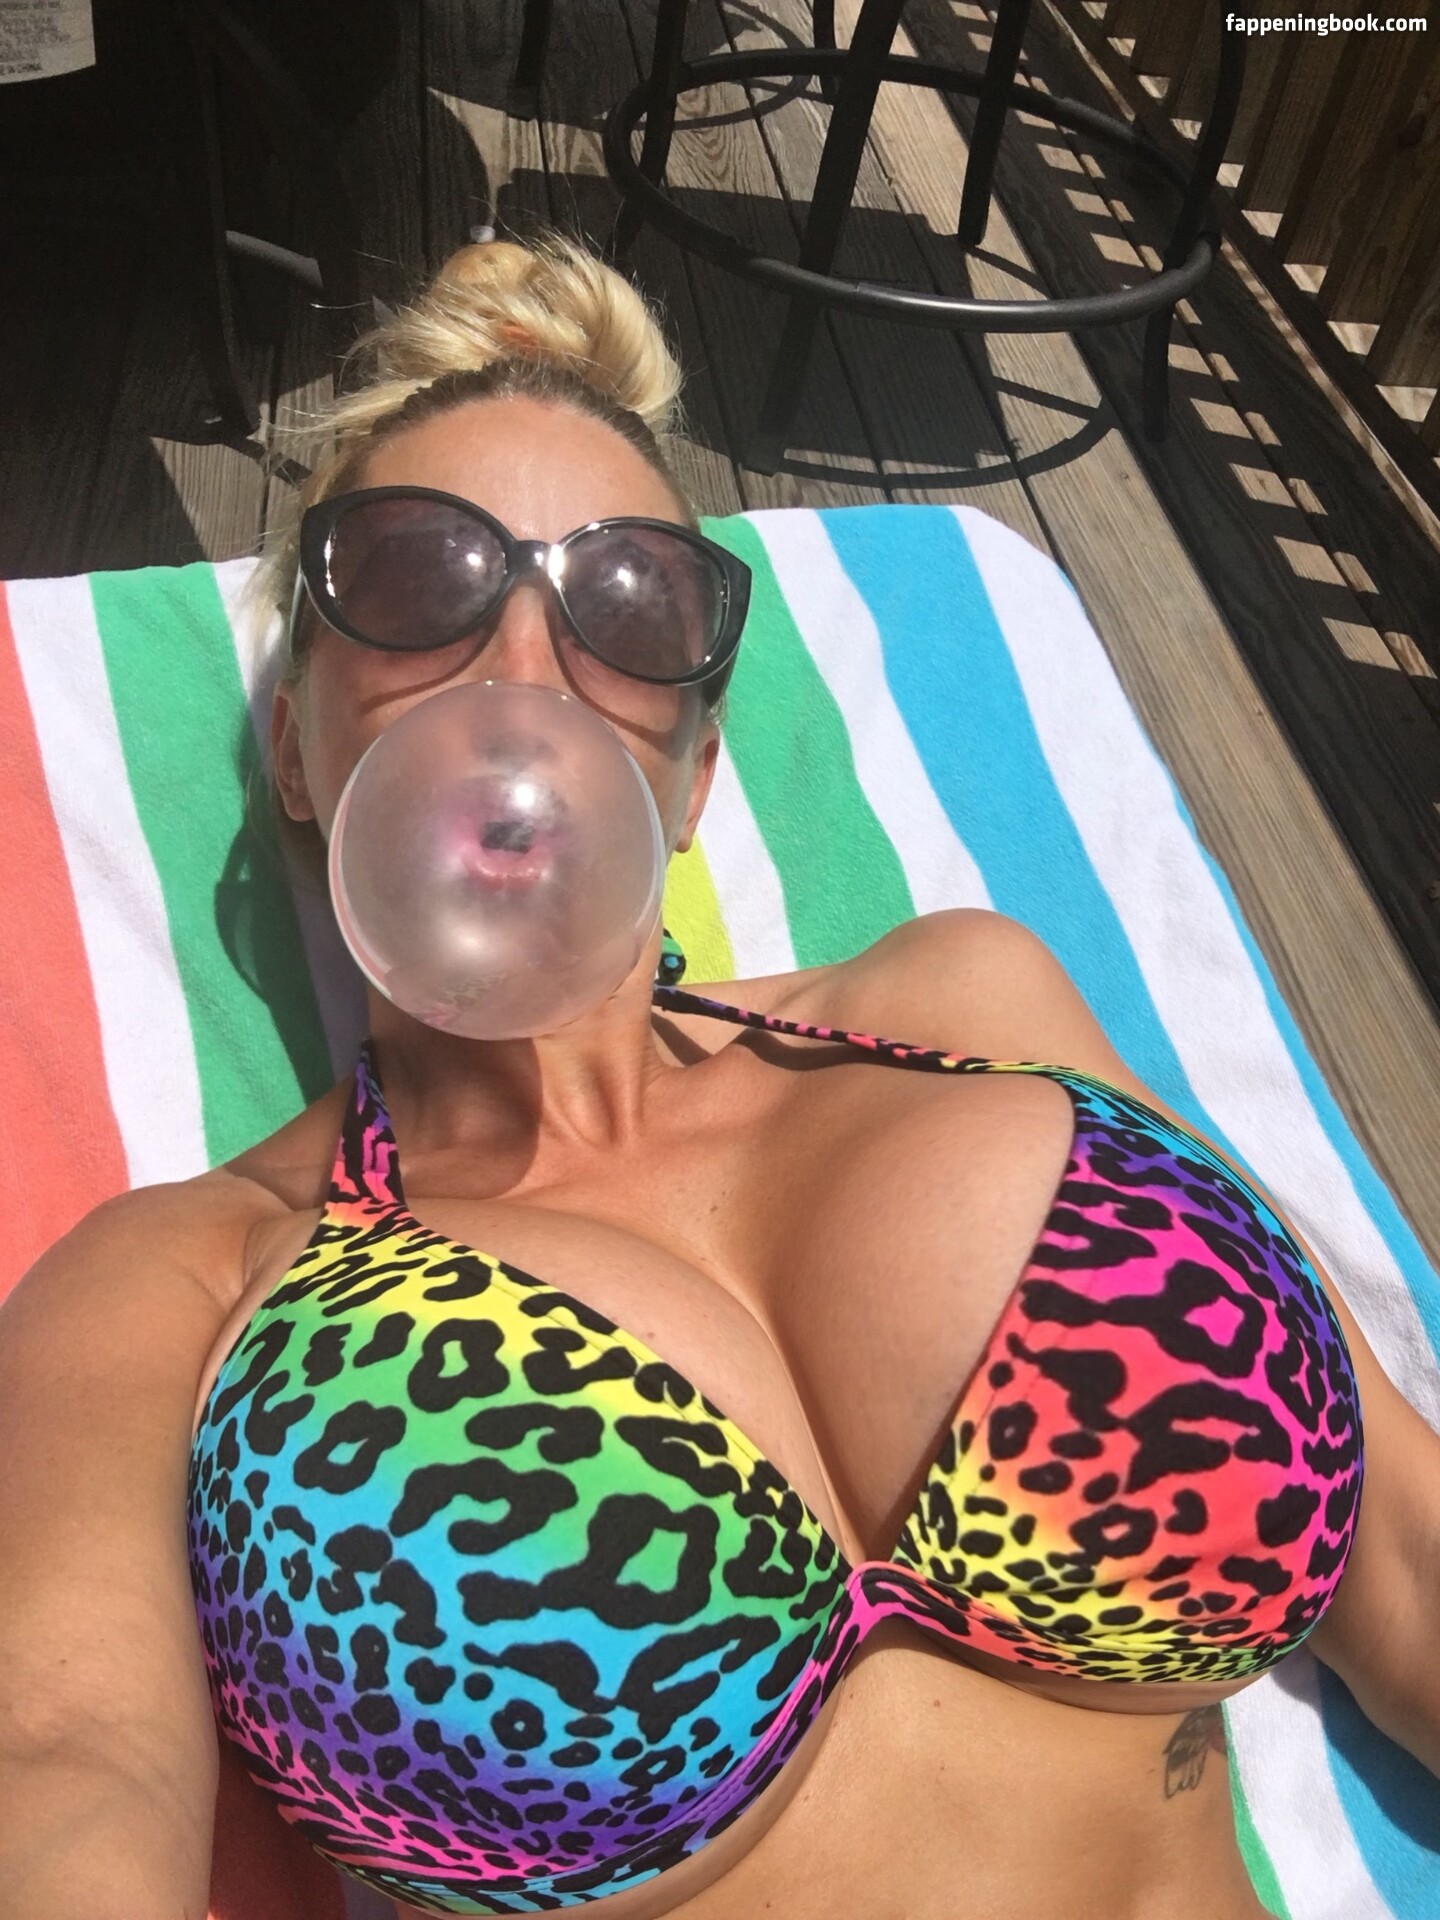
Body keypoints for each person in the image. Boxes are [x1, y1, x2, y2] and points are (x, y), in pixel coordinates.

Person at [2, 234, 1437, 1920]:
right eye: (410, 578)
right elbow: (68, 1769)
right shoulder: (179, 1279)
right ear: (295, 751)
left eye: (631, 604)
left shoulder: (964, 1000)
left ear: (692, 777)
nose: (520, 664)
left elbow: (1407, 1554)